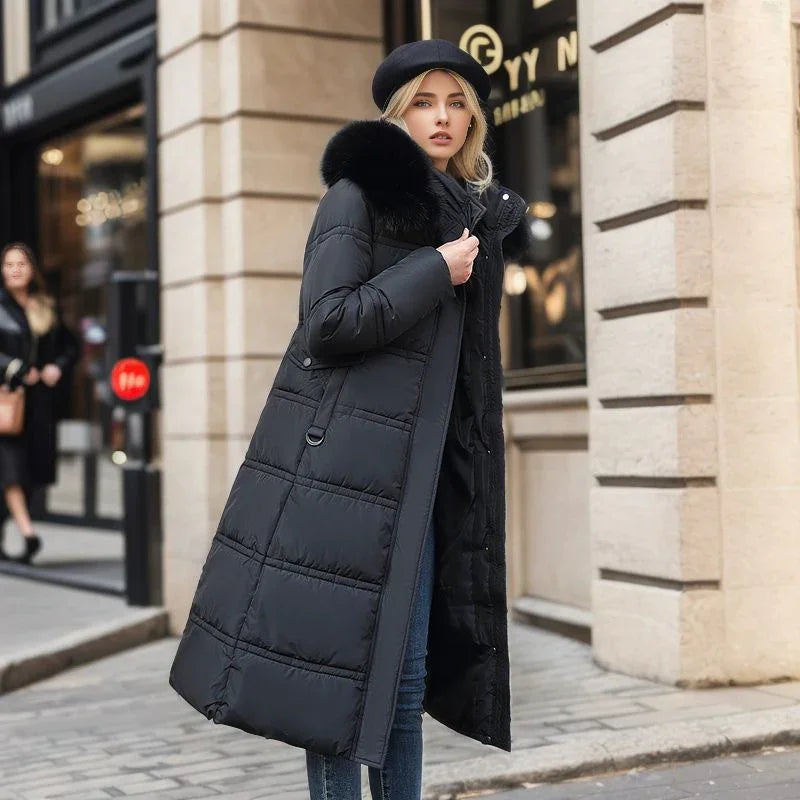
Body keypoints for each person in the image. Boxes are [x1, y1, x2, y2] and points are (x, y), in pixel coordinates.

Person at [169, 38, 533, 800]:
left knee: (404, 684)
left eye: (457, 102)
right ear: (397, 115)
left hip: (424, 478)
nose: (443, 117)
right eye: (424, 102)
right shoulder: (356, 198)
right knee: (333, 690)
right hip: (348, 475)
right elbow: (328, 322)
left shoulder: (471, 215)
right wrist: (433, 269)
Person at [0, 242, 78, 565]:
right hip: (6, 402)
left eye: (21, 264)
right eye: (9, 264)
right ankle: (29, 535)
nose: (15, 270)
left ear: (32, 269)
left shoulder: (46, 306)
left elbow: (70, 346)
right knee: (11, 469)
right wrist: (16, 368)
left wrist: (56, 367)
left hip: (38, 404)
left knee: (32, 471)